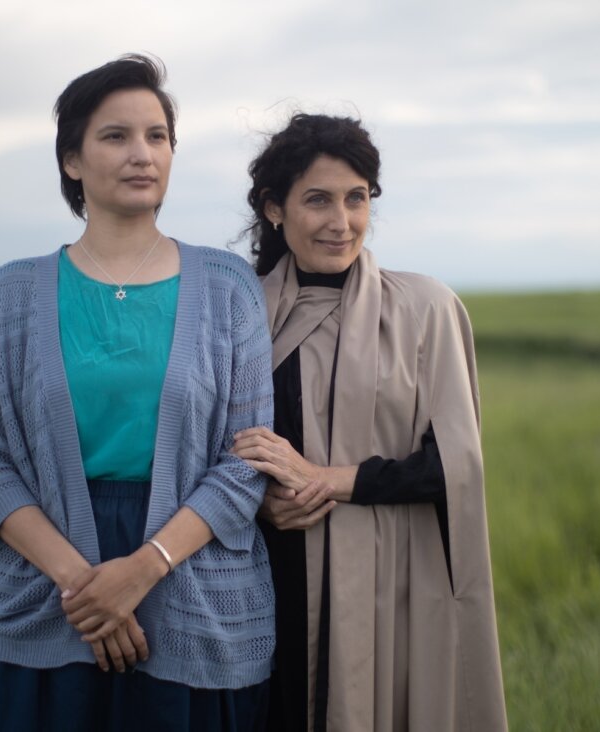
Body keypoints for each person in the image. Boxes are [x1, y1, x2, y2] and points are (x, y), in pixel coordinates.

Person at [0, 54, 275, 732]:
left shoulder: (227, 287)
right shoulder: (12, 295)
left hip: (191, 586)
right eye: (115, 136)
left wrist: (144, 568)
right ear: (72, 161)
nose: (142, 154)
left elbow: (246, 461)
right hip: (45, 588)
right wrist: (83, 585)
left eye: (157, 137)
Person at [232, 113, 508, 732]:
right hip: (264, 581)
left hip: (388, 582)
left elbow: (451, 465)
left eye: (357, 199)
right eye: (318, 200)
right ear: (275, 209)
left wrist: (325, 480)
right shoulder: (236, 313)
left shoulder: (423, 309)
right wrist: (261, 504)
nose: (342, 221)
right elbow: (202, 451)